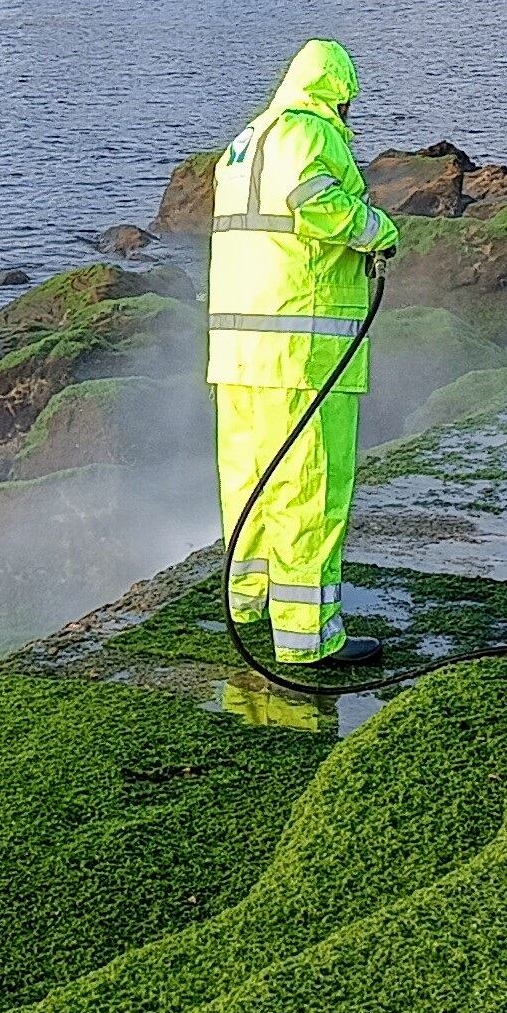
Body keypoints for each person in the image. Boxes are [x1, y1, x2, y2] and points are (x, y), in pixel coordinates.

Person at [207, 38, 400, 671]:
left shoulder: (243, 144)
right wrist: (377, 230)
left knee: (250, 479)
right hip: (302, 352)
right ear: (337, 94)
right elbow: (313, 202)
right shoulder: (311, 133)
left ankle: (247, 602)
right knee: (309, 489)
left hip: (237, 350)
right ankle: (306, 636)